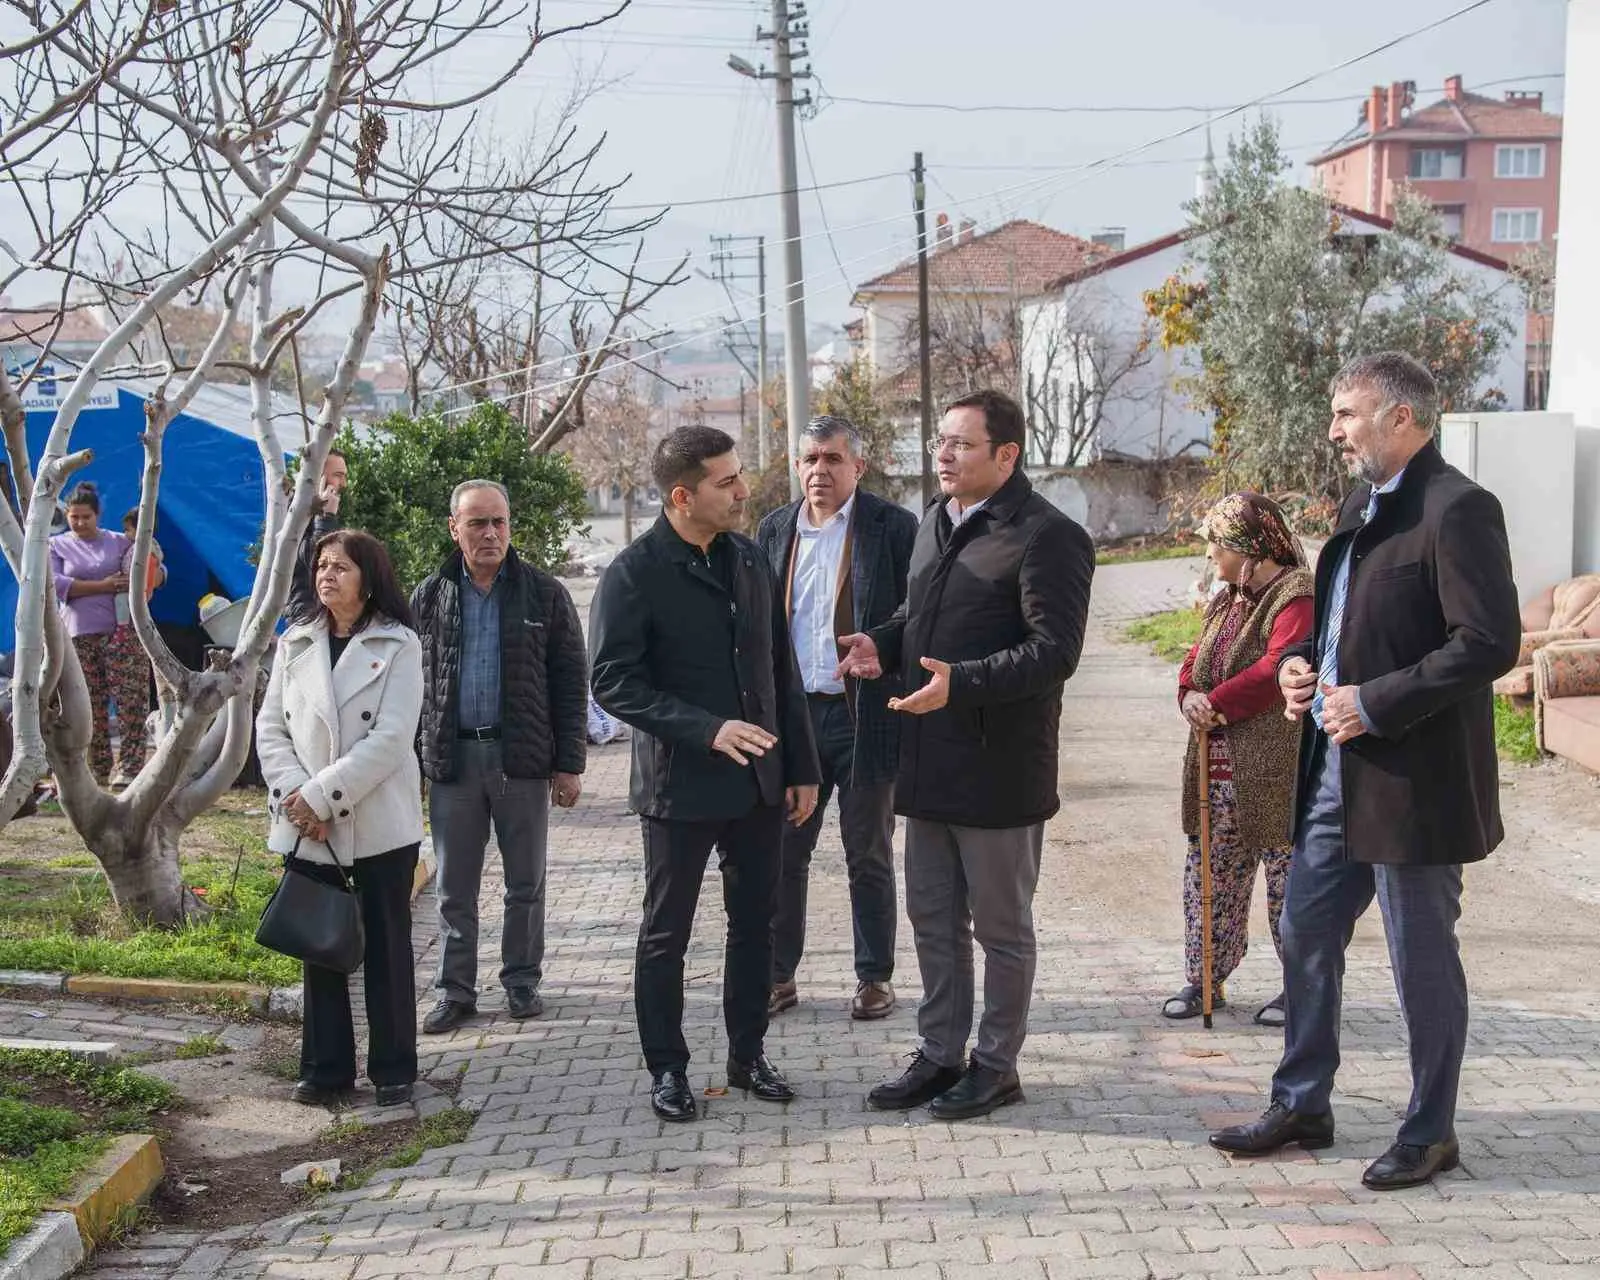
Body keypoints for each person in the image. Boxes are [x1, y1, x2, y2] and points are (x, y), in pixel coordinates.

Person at [1209, 352, 1521, 1191]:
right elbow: (1340, 627)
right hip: (1333, 774)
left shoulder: (1458, 509)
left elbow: (1489, 641)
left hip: (1415, 784)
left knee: (1420, 957)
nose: (1335, 430)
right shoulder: (1358, 507)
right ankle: (1302, 1104)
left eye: (1347, 414)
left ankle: (1429, 1132)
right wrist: (1300, 667)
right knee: (1305, 930)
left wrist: (1374, 702)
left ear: (1400, 418)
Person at [838, 389, 1094, 1121]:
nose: (943, 456)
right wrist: (882, 643)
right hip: (927, 761)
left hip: (999, 770)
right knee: (932, 918)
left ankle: (996, 1066)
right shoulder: (936, 521)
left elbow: (1055, 652)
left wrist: (963, 683)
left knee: (1001, 930)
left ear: (1006, 455)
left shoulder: (1048, 536)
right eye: (939, 443)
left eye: (960, 444)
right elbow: (915, 614)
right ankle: (939, 1054)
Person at [590, 425, 820, 1123]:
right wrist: (706, 729)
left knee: (755, 925)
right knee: (667, 933)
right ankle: (668, 1068)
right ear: (682, 496)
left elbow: (781, 670)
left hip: (759, 785)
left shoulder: (749, 559)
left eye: (740, 475)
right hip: (679, 788)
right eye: (727, 482)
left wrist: (801, 767)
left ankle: (748, 1056)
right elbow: (612, 682)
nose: (744, 491)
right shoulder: (633, 574)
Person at [755, 415, 917, 1021]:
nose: (819, 470)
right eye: (810, 459)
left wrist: (882, 645)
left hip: (863, 715)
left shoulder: (892, 527)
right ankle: (778, 975)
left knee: (867, 851)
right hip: (793, 719)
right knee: (784, 850)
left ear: (858, 467)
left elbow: (915, 609)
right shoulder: (775, 529)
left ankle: (875, 977)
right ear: (797, 466)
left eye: (832, 459)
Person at [255, 529, 425, 1108]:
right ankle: (325, 1069)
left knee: (387, 947)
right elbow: (270, 729)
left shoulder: (399, 644)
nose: (327, 576)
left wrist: (323, 797)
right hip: (307, 825)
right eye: (322, 566)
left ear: (368, 579)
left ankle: (394, 1068)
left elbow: (392, 738)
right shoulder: (295, 642)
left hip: (378, 823)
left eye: (341, 567)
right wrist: (298, 799)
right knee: (320, 944)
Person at [411, 480, 588, 1035]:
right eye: (477, 523)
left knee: (525, 882)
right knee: (453, 888)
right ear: (454, 529)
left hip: (522, 761)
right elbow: (410, 683)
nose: (490, 533)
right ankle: (454, 990)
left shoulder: (544, 593)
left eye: (499, 522)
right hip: (454, 762)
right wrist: (415, 761)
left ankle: (521, 981)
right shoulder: (430, 596)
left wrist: (569, 764)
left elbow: (570, 680)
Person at [1164, 493, 1313, 1026]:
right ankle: (1204, 978)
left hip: (1275, 772)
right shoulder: (1228, 598)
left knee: (1289, 887)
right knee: (1211, 879)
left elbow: (1279, 666)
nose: (1211, 555)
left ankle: (1302, 990)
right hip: (1216, 770)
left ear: (1250, 547)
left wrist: (1217, 703)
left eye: (1218, 544)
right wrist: (1188, 695)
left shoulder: (1295, 595)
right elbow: (1195, 658)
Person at [49, 482, 157, 785]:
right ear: (66, 516)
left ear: (98, 515)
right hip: (79, 637)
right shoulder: (56, 545)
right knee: (88, 705)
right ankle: (97, 768)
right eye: (74, 517)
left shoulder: (119, 542)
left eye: (86, 517)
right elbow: (55, 584)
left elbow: (152, 565)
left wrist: (154, 577)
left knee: (130, 702)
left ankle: (130, 767)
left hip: (122, 635)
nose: (80, 523)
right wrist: (105, 586)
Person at [288, 448, 349, 621]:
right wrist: (326, 518)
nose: (344, 483)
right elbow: (313, 561)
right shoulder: (292, 512)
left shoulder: (322, 511)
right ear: (317, 476)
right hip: (307, 617)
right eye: (338, 475)